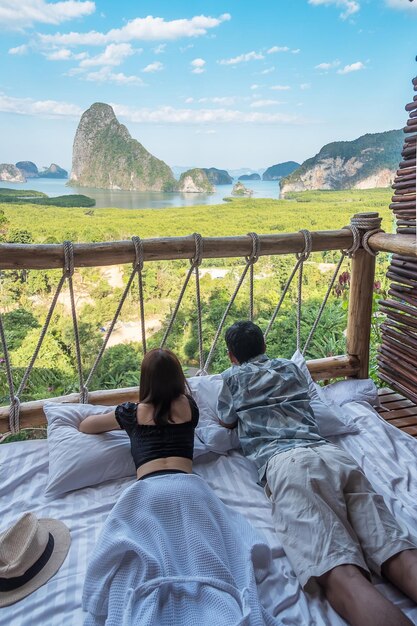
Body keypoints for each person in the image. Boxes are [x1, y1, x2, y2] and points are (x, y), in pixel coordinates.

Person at [217, 320, 417, 626]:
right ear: (265, 347)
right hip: (334, 456)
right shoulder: (291, 368)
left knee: (340, 572)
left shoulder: (233, 378)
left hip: (288, 464)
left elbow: (226, 419)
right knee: (396, 551)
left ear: (231, 356)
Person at [79, 347, 279, 626]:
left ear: (145, 381)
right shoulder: (189, 409)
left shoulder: (131, 414)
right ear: (177, 379)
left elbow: (87, 426)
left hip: (146, 491)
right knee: (206, 550)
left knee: (146, 554)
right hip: (189, 488)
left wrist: (120, 412)